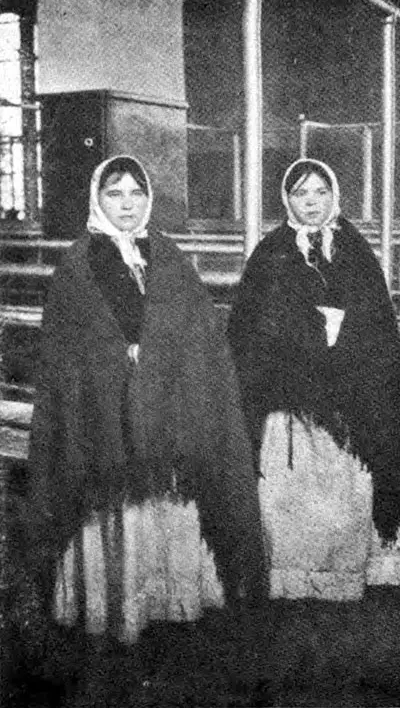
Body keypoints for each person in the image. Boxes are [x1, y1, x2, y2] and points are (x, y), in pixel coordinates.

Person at [25, 155, 267, 644]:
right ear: (98, 199)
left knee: (168, 495)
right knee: (116, 501)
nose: (128, 204)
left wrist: (163, 358)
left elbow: (199, 331)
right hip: (105, 412)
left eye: (136, 192)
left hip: (170, 405)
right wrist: (117, 358)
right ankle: (118, 604)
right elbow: (66, 350)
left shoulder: (167, 255)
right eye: (115, 194)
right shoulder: (76, 264)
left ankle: (171, 597)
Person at [227, 158, 400, 602]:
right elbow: (251, 329)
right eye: (302, 193)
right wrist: (302, 332)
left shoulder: (356, 250)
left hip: (352, 391)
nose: (312, 202)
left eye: (321, 192)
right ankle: (295, 571)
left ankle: (355, 565)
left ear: (334, 196)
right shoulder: (270, 252)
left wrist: (345, 332)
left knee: (354, 477)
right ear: (287, 199)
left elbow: (377, 322)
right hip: (291, 396)